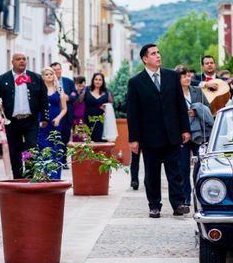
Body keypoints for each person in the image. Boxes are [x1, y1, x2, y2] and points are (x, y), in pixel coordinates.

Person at [127, 43, 191, 218]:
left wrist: (185, 129)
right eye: (153, 54)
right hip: (150, 137)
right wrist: (134, 139)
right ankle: (154, 205)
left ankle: (178, 204)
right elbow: (133, 113)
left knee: (175, 172)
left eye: (158, 52)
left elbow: (180, 105)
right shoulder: (136, 82)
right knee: (152, 174)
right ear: (145, 59)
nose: (158, 56)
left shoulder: (172, 77)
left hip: (172, 134)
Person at [0, 52, 49, 179]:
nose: (22, 61)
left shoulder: (36, 78)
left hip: (31, 120)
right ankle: (18, 178)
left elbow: (43, 98)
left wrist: (45, 117)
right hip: (12, 121)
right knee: (14, 150)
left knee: (31, 147)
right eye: (18, 59)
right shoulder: (3, 79)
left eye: (24, 59)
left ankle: (29, 175)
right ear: (12, 62)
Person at [177, 66, 212, 206]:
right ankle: (186, 196)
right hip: (181, 133)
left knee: (200, 165)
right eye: (184, 76)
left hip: (198, 133)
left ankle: (199, 194)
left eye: (189, 75)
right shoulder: (174, 93)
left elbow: (207, 107)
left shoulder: (197, 90)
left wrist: (196, 111)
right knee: (183, 167)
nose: (188, 78)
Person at [39, 67, 68, 179]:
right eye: (46, 74)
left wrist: (58, 118)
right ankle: (45, 175)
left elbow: (64, 109)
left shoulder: (59, 90)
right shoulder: (39, 90)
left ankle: (55, 177)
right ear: (43, 77)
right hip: (43, 123)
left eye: (51, 74)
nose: (49, 76)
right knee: (43, 149)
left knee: (55, 149)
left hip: (55, 123)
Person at [51, 62, 78, 163]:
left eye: (59, 69)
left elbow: (75, 95)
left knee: (65, 136)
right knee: (54, 136)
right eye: (55, 70)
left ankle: (63, 160)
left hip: (67, 114)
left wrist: (68, 97)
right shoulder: (49, 82)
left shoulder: (68, 82)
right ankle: (55, 159)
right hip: (54, 113)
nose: (57, 71)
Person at [79, 73, 113, 142]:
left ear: (103, 81)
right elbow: (79, 101)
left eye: (100, 80)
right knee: (88, 142)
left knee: (101, 141)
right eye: (96, 79)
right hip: (88, 120)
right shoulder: (87, 90)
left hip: (101, 121)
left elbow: (111, 104)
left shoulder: (107, 92)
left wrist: (106, 106)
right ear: (93, 80)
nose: (98, 81)